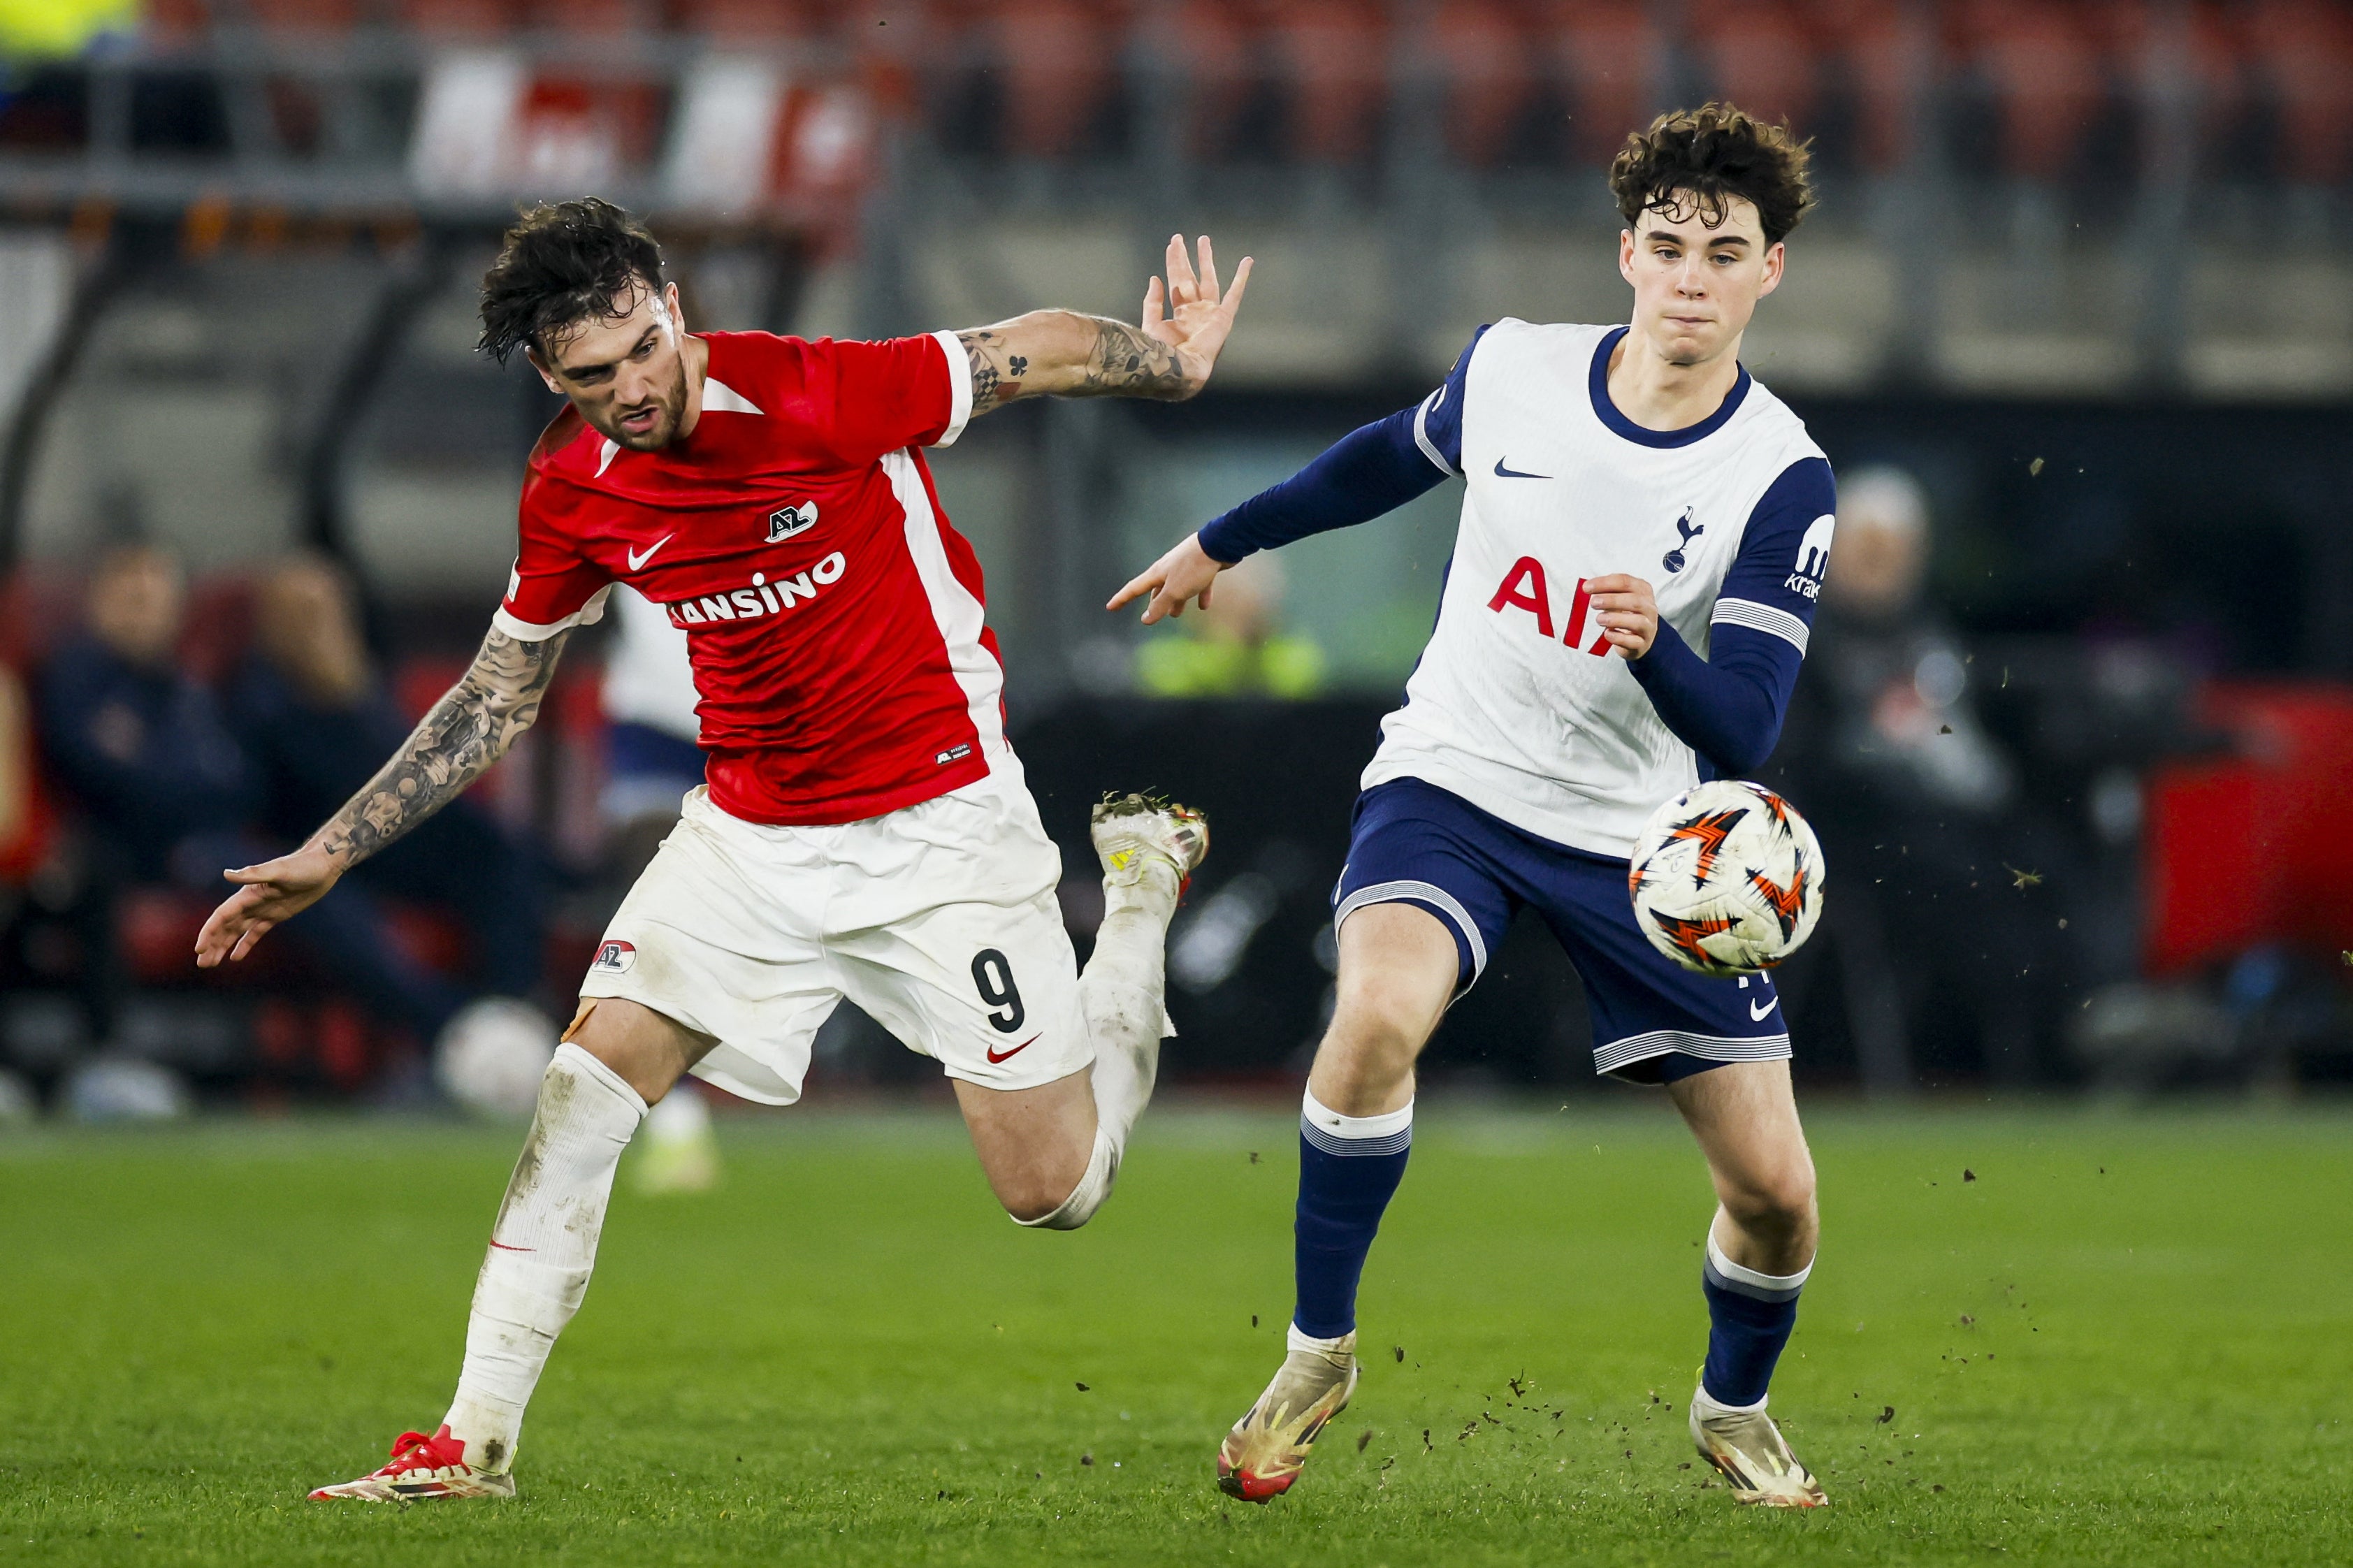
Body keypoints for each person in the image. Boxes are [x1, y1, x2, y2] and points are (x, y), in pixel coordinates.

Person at [194, 199, 1250, 1501]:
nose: (633, 388)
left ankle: (1135, 911)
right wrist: (332, 849)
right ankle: (470, 1444)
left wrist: (1172, 363)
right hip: (747, 836)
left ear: (672, 308)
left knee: (1054, 1192)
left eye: (644, 347)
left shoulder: (813, 390)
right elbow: (497, 693)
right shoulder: (573, 487)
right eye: (593, 373)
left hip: (939, 826)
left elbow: (1020, 347)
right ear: (548, 373)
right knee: (582, 1088)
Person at [1115, 104, 1836, 1507]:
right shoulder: (1515, 368)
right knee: (1375, 1017)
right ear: (1626, 252)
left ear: (1770, 274)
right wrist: (1224, 534)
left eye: (1725, 253)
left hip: (1647, 845)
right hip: (1455, 776)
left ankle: (1733, 1409)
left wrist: (1656, 648)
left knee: (1777, 1197)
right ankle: (1319, 1351)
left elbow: (1745, 727)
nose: (1691, 277)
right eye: (1669, 246)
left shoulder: (1778, 475)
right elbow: (1381, 461)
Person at [229, 553, 551, 1049]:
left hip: (385, 841)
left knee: (496, 848)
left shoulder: (362, 684)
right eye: (304, 612)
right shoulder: (262, 695)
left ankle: (509, 1008)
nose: (320, 625)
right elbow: (316, 783)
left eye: (328, 610)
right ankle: (454, 1031)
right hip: (319, 844)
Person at [37, 545, 256, 1042]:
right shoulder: (78, 673)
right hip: (117, 845)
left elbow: (239, 784)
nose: (146, 613)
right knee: (96, 873)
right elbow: (97, 772)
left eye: (157, 600)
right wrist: (181, 782)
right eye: (132, 598)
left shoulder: (184, 685)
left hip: (196, 844)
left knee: (305, 875)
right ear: (99, 602)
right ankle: (105, 1054)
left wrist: (164, 774)